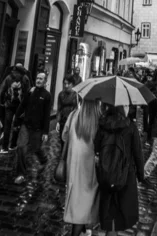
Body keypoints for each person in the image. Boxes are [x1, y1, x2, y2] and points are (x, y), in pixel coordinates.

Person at [95, 104, 144, 236]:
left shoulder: (102, 125)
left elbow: (96, 148)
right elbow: (138, 153)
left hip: (106, 173)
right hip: (125, 175)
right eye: (126, 105)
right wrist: (141, 175)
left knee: (108, 211)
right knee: (120, 212)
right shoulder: (131, 127)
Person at [63, 99, 101, 236]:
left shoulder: (73, 115)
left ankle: (82, 229)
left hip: (73, 166)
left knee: (77, 200)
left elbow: (64, 136)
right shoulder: (99, 120)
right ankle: (77, 232)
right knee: (85, 202)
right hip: (90, 169)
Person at [13, 72, 51, 184]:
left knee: (36, 148)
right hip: (26, 125)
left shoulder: (47, 95)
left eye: (41, 79)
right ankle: (21, 174)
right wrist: (16, 121)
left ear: (45, 81)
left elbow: (47, 115)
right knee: (21, 147)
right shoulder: (30, 92)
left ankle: (43, 159)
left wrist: (45, 132)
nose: (38, 80)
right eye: (37, 78)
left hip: (38, 128)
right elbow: (22, 106)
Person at [0, 65, 31, 154]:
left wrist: (0, 101)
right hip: (20, 105)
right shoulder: (25, 78)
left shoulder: (9, 77)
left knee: (7, 125)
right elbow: (28, 92)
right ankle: (13, 145)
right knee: (16, 124)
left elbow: (2, 89)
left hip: (9, 104)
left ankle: (4, 148)